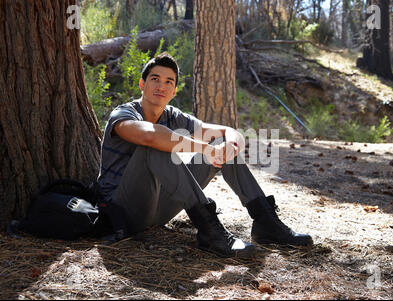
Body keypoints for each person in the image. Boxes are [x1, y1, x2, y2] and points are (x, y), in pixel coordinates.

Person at [97, 52, 313, 258]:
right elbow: (151, 137)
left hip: (159, 210)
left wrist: (229, 145)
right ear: (142, 84)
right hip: (124, 211)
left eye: (169, 82)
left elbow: (228, 132)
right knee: (157, 144)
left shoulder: (174, 116)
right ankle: (211, 231)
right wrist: (206, 149)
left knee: (220, 142)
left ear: (174, 91)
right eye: (155, 79)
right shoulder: (123, 113)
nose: (161, 86)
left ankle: (266, 221)